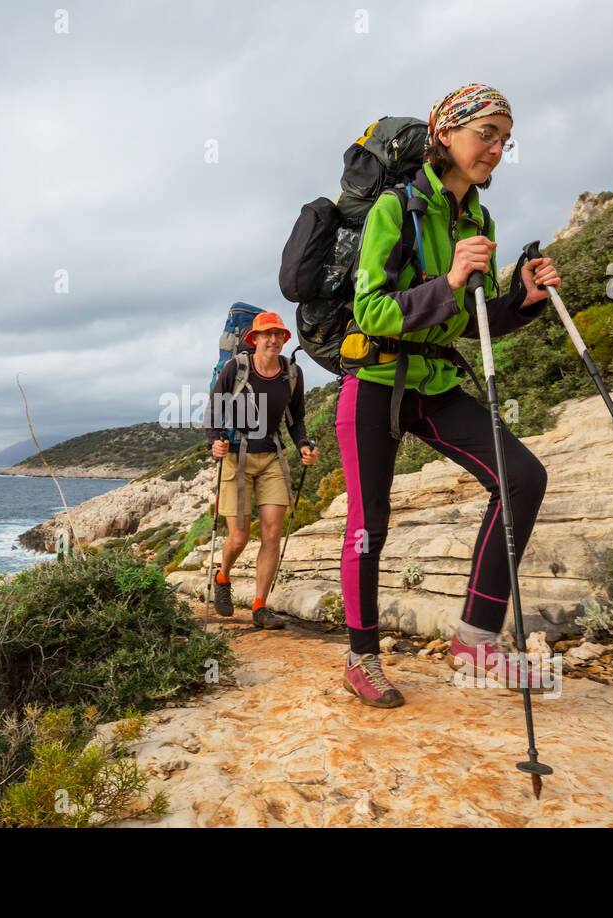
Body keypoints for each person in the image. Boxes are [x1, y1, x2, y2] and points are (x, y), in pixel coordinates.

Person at [337, 84, 562, 707]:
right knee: (367, 527)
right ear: (446, 134)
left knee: (522, 477)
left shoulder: (478, 219)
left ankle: (477, 641)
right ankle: (361, 657)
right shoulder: (395, 208)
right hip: (376, 384)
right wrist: (451, 278)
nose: (495, 150)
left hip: (434, 383)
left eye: (504, 140)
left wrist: (521, 301)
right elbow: (372, 310)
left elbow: (466, 321)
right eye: (485, 134)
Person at [206, 312, 319, 628]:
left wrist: (304, 445)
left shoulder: (292, 374)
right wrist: (214, 441)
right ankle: (223, 576)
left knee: (272, 533)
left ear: (284, 339)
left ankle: (259, 607)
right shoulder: (237, 368)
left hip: (271, 456)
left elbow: (296, 420)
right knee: (239, 537)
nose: (272, 340)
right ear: (253, 339)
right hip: (237, 456)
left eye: (278, 334)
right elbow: (215, 409)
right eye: (265, 334)